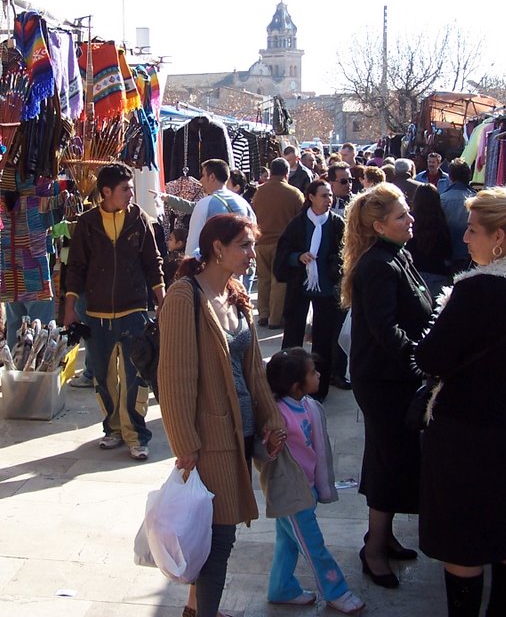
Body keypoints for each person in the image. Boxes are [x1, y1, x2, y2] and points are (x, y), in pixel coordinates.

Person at [414, 178, 506, 617]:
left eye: (473, 229)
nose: (465, 236)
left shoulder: (474, 290)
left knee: (465, 539)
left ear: (499, 238)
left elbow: (431, 358)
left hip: (467, 433)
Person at [158, 213, 286, 617]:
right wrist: (186, 446)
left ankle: (195, 608)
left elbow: (254, 370)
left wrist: (271, 420)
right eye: (244, 245)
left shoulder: (234, 294)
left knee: (211, 534)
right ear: (217, 248)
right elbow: (175, 378)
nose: (252, 253)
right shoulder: (184, 296)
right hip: (209, 439)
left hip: (240, 433)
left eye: (252, 245)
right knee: (220, 537)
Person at [342, 183, 433, 588]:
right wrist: (422, 360)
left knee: (391, 456)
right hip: (383, 379)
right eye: (401, 216)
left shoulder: (399, 255)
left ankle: (384, 538)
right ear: (379, 226)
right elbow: (385, 329)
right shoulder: (378, 264)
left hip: (397, 375)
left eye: (408, 213)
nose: (410, 219)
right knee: (388, 459)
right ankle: (374, 549)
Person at [63, 162, 165, 461]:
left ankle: (137, 435)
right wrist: (69, 308)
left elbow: (152, 262)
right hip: (96, 314)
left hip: (134, 310)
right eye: (125, 189)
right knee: (105, 379)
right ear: (106, 192)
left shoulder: (140, 219)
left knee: (136, 377)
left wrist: (162, 299)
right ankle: (113, 430)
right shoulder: (87, 223)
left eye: (131, 188)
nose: (131, 193)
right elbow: (76, 267)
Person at [262, 348, 365, 614]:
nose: (318, 375)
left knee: (287, 543)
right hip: (291, 494)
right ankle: (336, 591)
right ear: (297, 385)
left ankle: (281, 587)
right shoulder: (277, 414)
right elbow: (260, 451)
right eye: (312, 372)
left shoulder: (308, 405)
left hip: (305, 489)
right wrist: (269, 445)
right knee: (313, 546)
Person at [275, 179, 345, 401]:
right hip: (300, 287)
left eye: (330, 196)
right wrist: (298, 257)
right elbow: (284, 252)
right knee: (293, 337)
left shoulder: (336, 223)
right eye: (324, 195)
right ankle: (289, 386)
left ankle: (319, 389)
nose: (328, 200)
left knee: (323, 340)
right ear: (311, 197)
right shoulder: (298, 224)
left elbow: (346, 253)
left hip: (327, 289)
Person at [252, 157, 305, 330]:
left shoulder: (258, 192)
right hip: (282, 244)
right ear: (286, 173)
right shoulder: (294, 193)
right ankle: (275, 318)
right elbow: (301, 219)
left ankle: (263, 314)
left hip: (260, 242)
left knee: (263, 279)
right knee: (279, 281)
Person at [185, 159, 256, 258]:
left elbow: (193, 243)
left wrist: (189, 267)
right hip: (242, 264)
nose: (200, 180)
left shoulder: (205, 203)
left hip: (217, 265)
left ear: (212, 177)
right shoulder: (243, 202)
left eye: (203, 175)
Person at [406, 183, 453, 296]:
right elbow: (447, 250)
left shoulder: (410, 221)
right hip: (438, 272)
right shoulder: (441, 221)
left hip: (415, 273)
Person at [440, 158, 476, 272]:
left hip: (447, 256)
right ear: (469, 176)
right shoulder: (478, 200)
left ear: (450, 177)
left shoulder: (442, 199)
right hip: (471, 256)